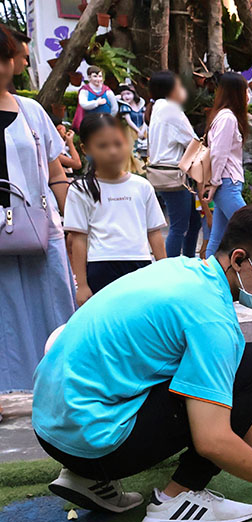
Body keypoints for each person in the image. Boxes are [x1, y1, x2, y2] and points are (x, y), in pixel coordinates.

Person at [33, 203, 252, 522]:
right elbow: (213, 439)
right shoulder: (211, 320)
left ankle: (86, 478)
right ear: (238, 258)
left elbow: (226, 395)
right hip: (95, 443)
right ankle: (176, 498)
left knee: (231, 367)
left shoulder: (181, 269)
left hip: (50, 429)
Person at [0, 25, 74, 398]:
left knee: (53, 313)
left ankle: (60, 388)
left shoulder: (31, 112)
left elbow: (57, 172)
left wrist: (74, 228)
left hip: (40, 233)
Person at [64, 114, 167, 303]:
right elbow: (78, 239)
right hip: (100, 267)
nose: (112, 151)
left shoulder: (141, 186)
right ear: (86, 149)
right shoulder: (80, 189)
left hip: (140, 265)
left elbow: (154, 233)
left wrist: (164, 272)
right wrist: (83, 285)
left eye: (117, 143)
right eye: (102, 145)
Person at [147, 70, 201, 258]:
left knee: (193, 222)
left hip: (163, 173)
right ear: (170, 90)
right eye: (178, 86)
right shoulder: (171, 109)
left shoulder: (157, 107)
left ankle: (188, 260)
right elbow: (192, 140)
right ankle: (172, 266)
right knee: (179, 227)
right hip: (174, 176)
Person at [203, 72, 248, 257]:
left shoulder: (222, 116)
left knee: (217, 237)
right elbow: (219, 153)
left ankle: (207, 275)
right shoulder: (228, 118)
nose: (248, 95)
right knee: (251, 229)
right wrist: (213, 183)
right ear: (236, 93)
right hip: (227, 183)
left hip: (225, 183)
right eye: (245, 90)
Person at [117, 84, 147, 160]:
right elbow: (129, 121)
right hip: (131, 131)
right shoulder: (125, 107)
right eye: (123, 95)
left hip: (143, 131)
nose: (126, 97)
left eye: (128, 94)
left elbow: (145, 120)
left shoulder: (141, 106)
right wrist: (138, 131)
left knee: (145, 149)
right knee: (133, 150)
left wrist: (142, 130)